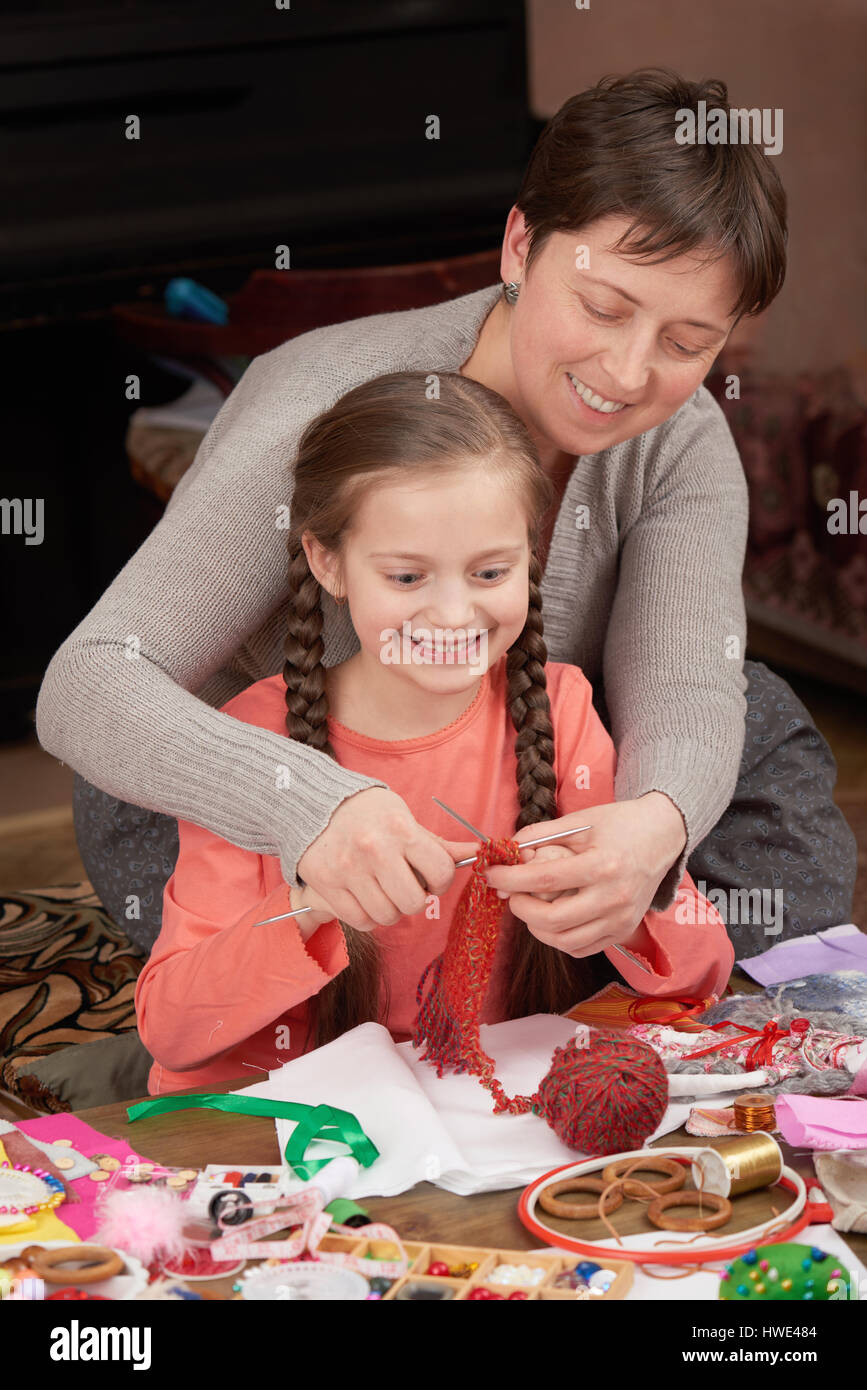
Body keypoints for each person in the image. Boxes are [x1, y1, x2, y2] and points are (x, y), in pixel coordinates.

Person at [37, 69, 856, 965]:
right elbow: (89, 683)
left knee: (753, 727)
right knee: (306, 986)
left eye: (685, 343)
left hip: (510, 782)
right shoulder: (318, 399)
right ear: (520, 245)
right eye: (601, 308)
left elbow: (682, 684)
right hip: (274, 799)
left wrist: (651, 833)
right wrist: (308, 804)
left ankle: (560, 965)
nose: (627, 373)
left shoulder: (681, 438)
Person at [134, 371, 734, 1094]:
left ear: (532, 555)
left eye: (488, 572)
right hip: (290, 1128)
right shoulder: (255, 736)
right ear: (327, 562)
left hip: (485, 1108)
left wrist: (625, 902)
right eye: (408, 578)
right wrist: (315, 903)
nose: (453, 617)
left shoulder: (559, 707)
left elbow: (701, 976)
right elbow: (171, 1030)